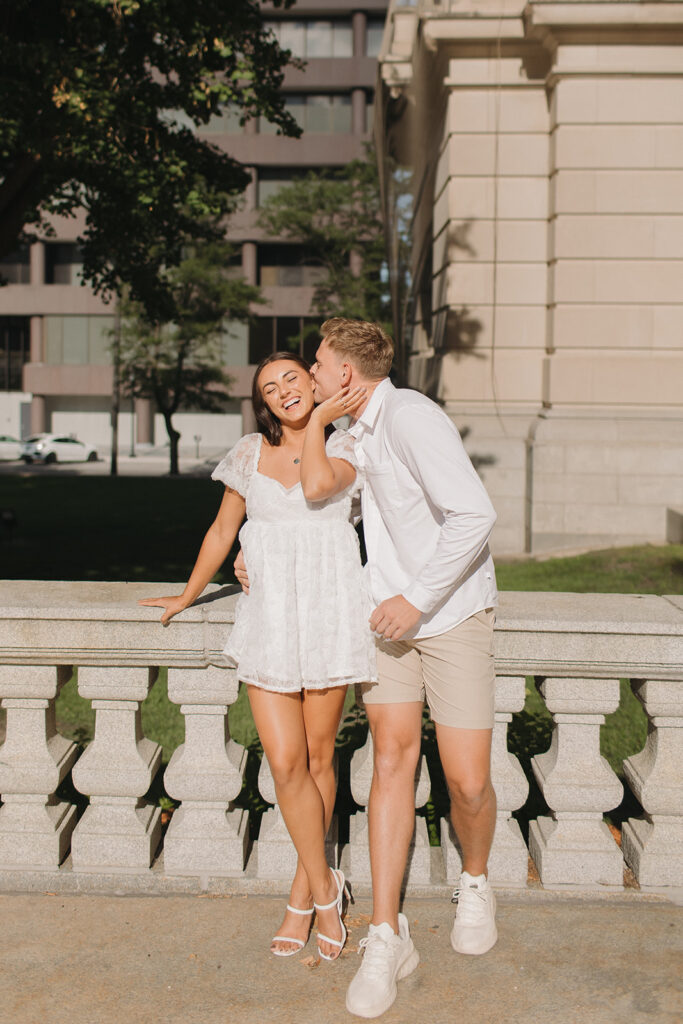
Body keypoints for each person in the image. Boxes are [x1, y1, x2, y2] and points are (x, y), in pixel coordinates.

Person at [237, 319, 498, 1018]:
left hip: (449, 617)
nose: (309, 376)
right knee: (390, 762)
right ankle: (386, 932)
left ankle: (473, 879)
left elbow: (474, 514)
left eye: (317, 367)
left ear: (345, 374)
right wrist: (251, 549)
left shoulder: (412, 418)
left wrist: (417, 600)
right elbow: (315, 495)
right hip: (384, 625)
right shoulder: (352, 431)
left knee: (467, 783)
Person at [140, 351, 376, 962]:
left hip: (326, 615)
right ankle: (329, 888)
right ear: (263, 403)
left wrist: (323, 420)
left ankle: (303, 897)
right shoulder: (248, 452)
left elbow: (323, 490)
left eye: (292, 379)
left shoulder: (349, 445)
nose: (283, 392)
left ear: (313, 382)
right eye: (270, 388)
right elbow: (224, 530)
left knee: (320, 758)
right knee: (284, 761)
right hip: (270, 619)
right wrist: (190, 592)